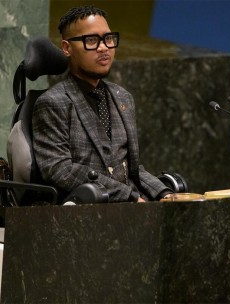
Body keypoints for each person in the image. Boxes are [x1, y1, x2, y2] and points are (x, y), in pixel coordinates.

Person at [32, 5, 173, 203]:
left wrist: (164, 193)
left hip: (132, 210)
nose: (103, 47)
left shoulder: (122, 97)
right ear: (67, 48)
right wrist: (129, 197)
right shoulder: (52, 103)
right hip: (86, 212)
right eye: (91, 40)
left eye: (108, 38)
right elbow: (60, 170)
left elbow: (133, 168)